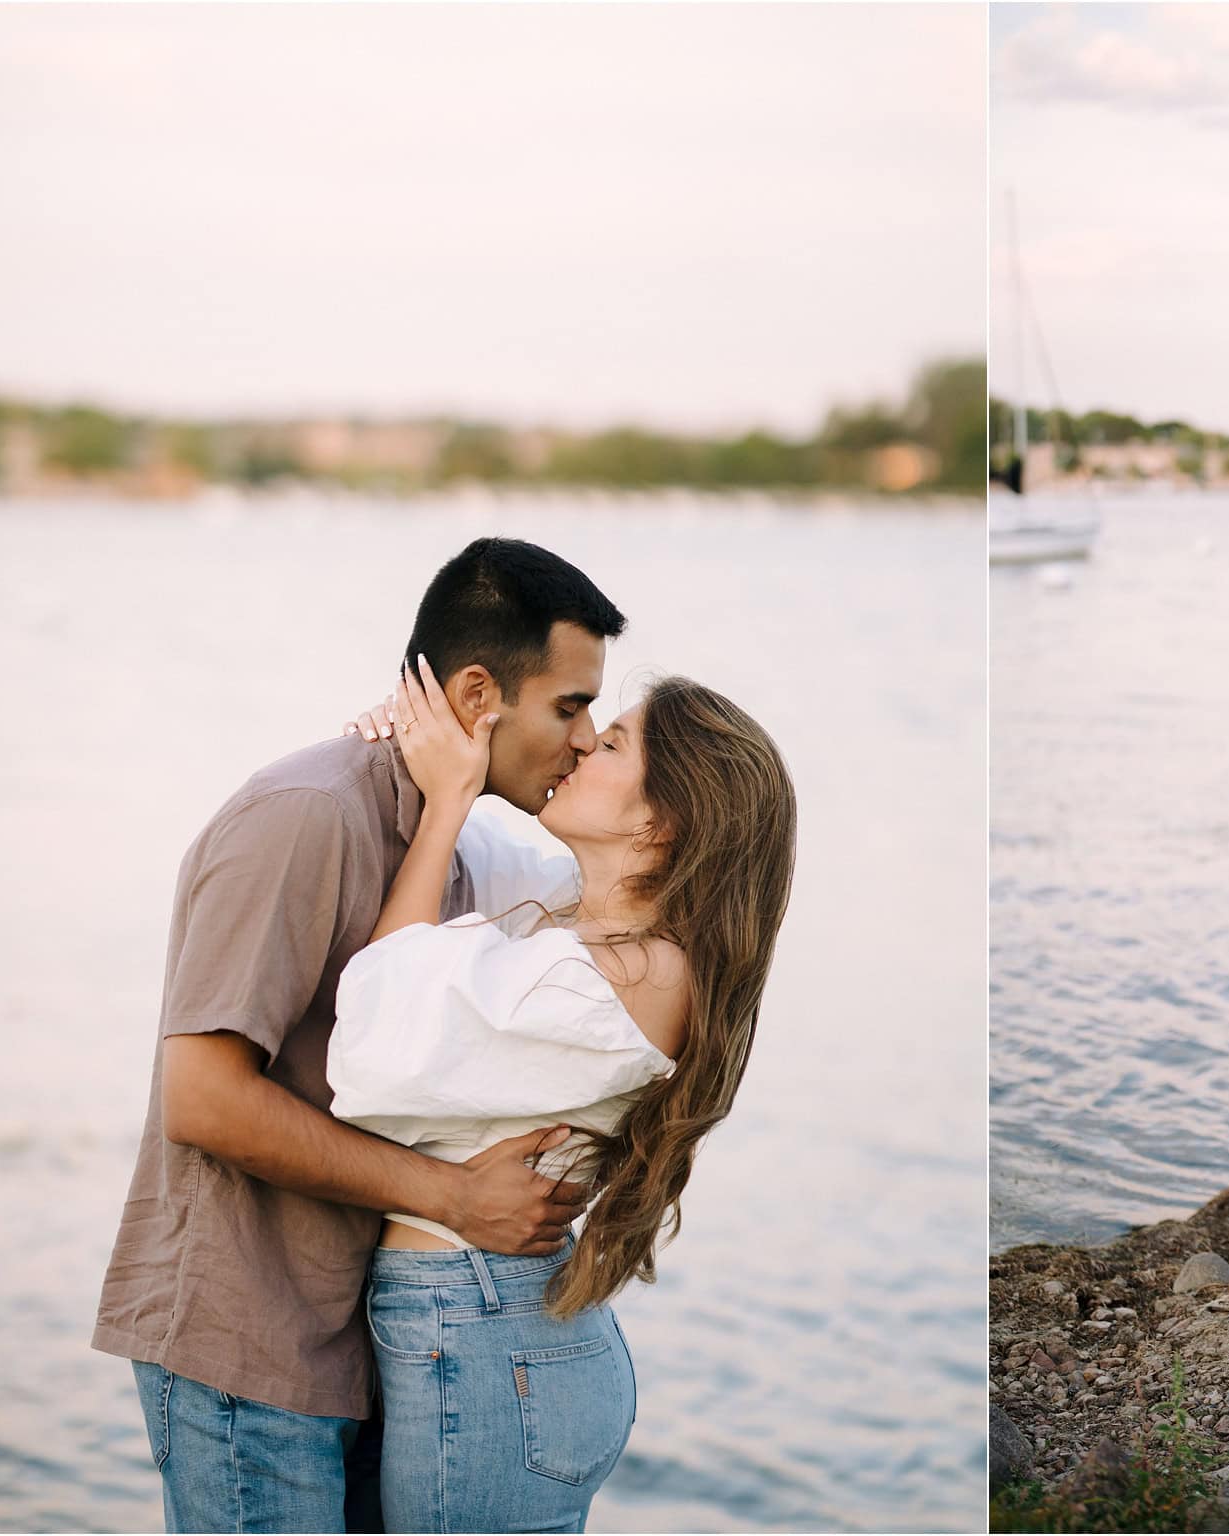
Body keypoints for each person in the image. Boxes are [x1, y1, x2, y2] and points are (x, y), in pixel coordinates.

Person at [93, 537, 628, 1533]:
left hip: (367, 1348)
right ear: (479, 694)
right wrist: (456, 1199)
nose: (587, 740)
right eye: (569, 706)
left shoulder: (455, 835)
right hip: (248, 1347)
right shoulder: (308, 816)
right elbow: (201, 1098)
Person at [329, 661, 795, 1531]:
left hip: (486, 1331)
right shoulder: (585, 925)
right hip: (483, 1324)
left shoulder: (627, 977)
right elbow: (467, 854)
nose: (582, 742)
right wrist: (412, 753)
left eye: (613, 741)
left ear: (659, 823)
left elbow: (368, 1050)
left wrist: (444, 802)